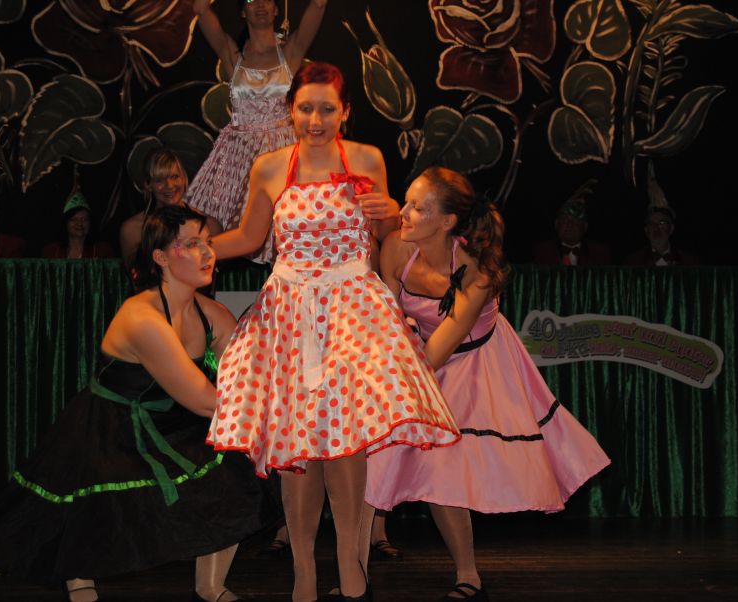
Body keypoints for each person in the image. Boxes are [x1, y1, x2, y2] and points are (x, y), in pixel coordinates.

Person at [205, 62, 460, 602]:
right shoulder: (270, 167)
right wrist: (194, 249)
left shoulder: (366, 159)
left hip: (352, 310)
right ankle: (303, 575)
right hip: (289, 311)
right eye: (305, 108)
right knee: (298, 446)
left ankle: (351, 568)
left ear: (344, 111)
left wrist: (391, 213)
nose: (315, 120)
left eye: (326, 109)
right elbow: (249, 238)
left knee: (346, 442)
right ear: (290, 111)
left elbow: (387, 234)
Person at [0, 205, 273, 602]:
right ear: (160, 257)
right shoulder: (142, 318)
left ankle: (210, 586)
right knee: (100, 503)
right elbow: (206, 402)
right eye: (193, 244)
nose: (207, 253)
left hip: (172, 423)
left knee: (238, 465)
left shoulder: (212, 314)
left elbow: (248, 376)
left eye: (208, 243)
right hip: (110, 427)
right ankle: (78, 574)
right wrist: (271, 411)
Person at [365, 167, 612, 601]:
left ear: (447, 222)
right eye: (406, 201)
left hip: (472, 363)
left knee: (441, 466)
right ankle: (355, 575)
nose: (403, 212)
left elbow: (437, 353)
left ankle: (469, 575)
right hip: (415, 354)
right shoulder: (396, 248)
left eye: (417, 207)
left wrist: (395, 375)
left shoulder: (476, 273)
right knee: (375, 449)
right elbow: (386, 319)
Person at [188, 0, 327, 237]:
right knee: (231, 229)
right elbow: (200, 9)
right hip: (239, 158)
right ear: (243, 12)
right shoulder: (232, 55)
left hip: (283, 154)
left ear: (276, 9)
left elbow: (319, 4)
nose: (260, 4)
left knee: (286, 227)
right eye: (251, 0)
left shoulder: (290, 52)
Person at [119, 148, 222, 268]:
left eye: (174, 177)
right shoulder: (133, 230)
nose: (169, 185)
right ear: (148, 185)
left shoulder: (209, 225)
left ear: (184, 178)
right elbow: (134, 274)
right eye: (160, 180)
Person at [532, 179, 612, 266]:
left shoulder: (599, 252)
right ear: (556, 224)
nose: (569, 225)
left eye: (575, 220)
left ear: (585, 227)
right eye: (564, 220)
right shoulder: (542, 251)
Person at [42, 189, 114, 259]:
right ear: (65, 223)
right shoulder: (51, 251)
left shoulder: (102, 251)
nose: (79, 223)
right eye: (74, 219)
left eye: (84, 219)